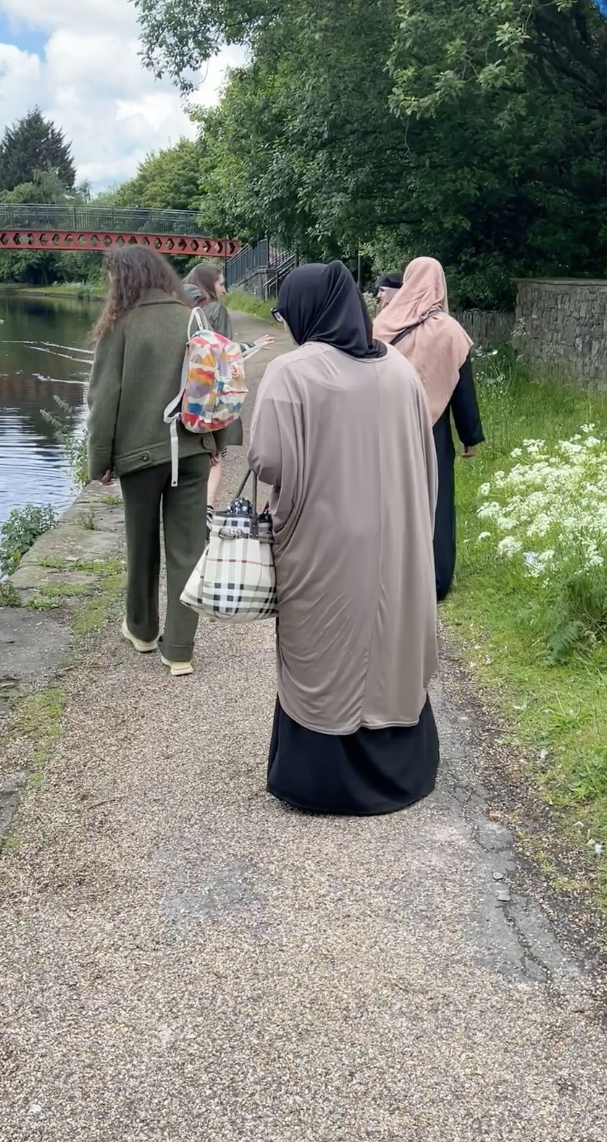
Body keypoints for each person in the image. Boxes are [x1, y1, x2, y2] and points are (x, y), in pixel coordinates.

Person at [248, 260, 441, 816]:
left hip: (324, 541)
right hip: (397, 543)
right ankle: (400, 773)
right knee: (389, 645)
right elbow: (423, 463)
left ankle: (322, 781)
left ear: (307, 313)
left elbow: (266, 459)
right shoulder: (401, 372)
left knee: (323, 649)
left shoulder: (294, 372)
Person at [87, 246, 225, 677]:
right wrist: (215, 441)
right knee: (188, 549)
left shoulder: (121, 324)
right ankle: (180, 650)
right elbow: (213, 385)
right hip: (192, 449)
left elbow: (103, 399)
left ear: (123, 280)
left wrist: (100, 461)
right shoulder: (194, 317)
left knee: (141, 545)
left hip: (140, 454)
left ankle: (143, 631)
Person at [373, 256, 484, 601]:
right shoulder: (450, 331)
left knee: (390, 498)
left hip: (387, 428)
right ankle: (435, 580)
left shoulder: (381, 325)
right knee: (436, 500)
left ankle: (388, 573)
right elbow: (462, 387)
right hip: (433, 431)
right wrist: (470, 437)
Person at [185, 263, 272, 513]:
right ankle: (208, 509)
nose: (224, 289)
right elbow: (225, 355)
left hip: (186, 397)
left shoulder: (184, 308)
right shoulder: (215, 310)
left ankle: (192, 508)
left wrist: (250, 345)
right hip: (210, 398)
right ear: (209, 284)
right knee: (215, 457)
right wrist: (249, 347)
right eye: (221, 283)